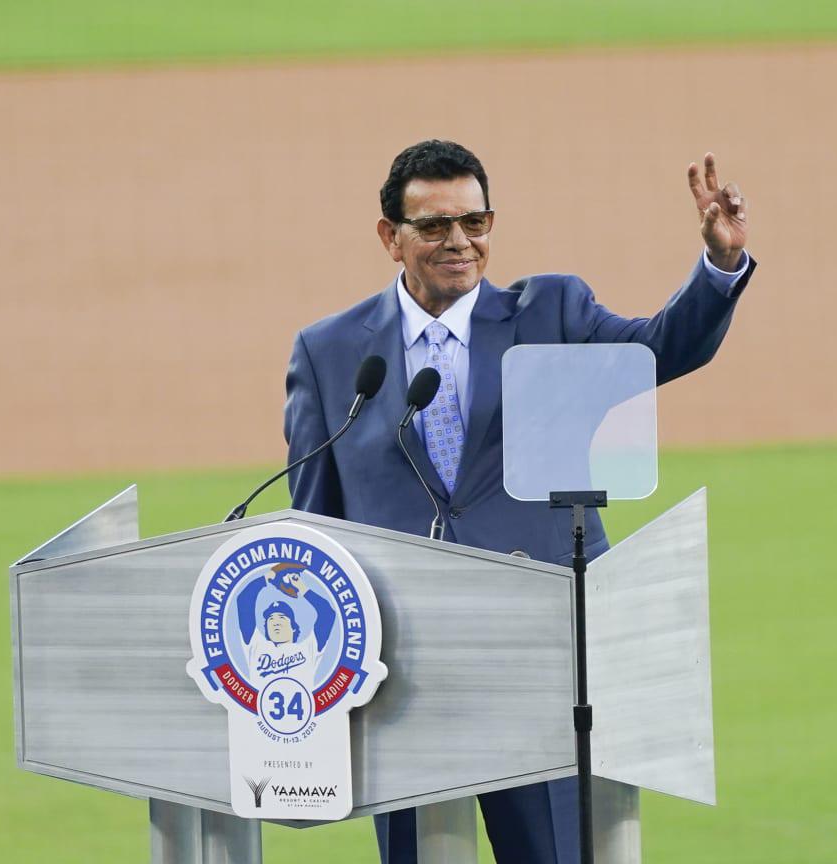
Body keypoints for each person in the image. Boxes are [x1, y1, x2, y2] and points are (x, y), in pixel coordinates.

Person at [283, 140, 753, 863]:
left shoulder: (551, 311)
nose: (459, 242)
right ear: (391, 237)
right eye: (435, 226)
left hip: (539, 655)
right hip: (402, 668)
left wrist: (719, 266)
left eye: (476, 222)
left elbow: (658, 349)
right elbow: (316, 519)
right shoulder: (330, 351)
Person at [235, 564, 336, 691]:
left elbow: (327, 612)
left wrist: (302, 588)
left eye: (282, 618)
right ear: (266, 628)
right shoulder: (255, 645)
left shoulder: (310, 648)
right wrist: (269, 576)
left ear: (293, 627)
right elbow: (244, 599)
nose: (275, 622)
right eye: (271, 619)